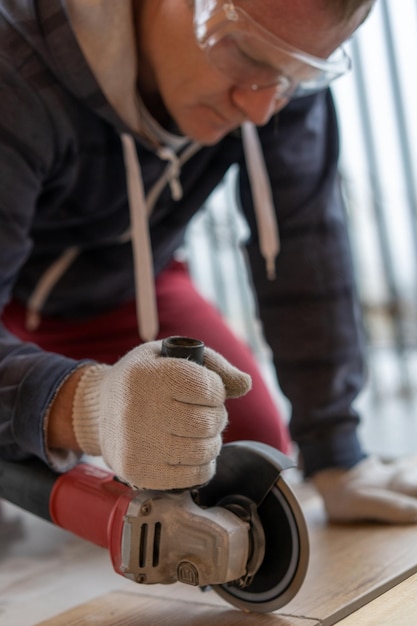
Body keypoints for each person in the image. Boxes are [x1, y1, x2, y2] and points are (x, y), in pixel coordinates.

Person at [1, 0, 416, 523]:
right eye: (244, 54)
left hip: (127, 288)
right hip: (7, 304)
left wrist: (337, 453)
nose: (262, 109)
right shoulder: (13, 61)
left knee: (236, 448)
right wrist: (87, 408)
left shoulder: (279, 84)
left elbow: (306, 244)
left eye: (299, 76)